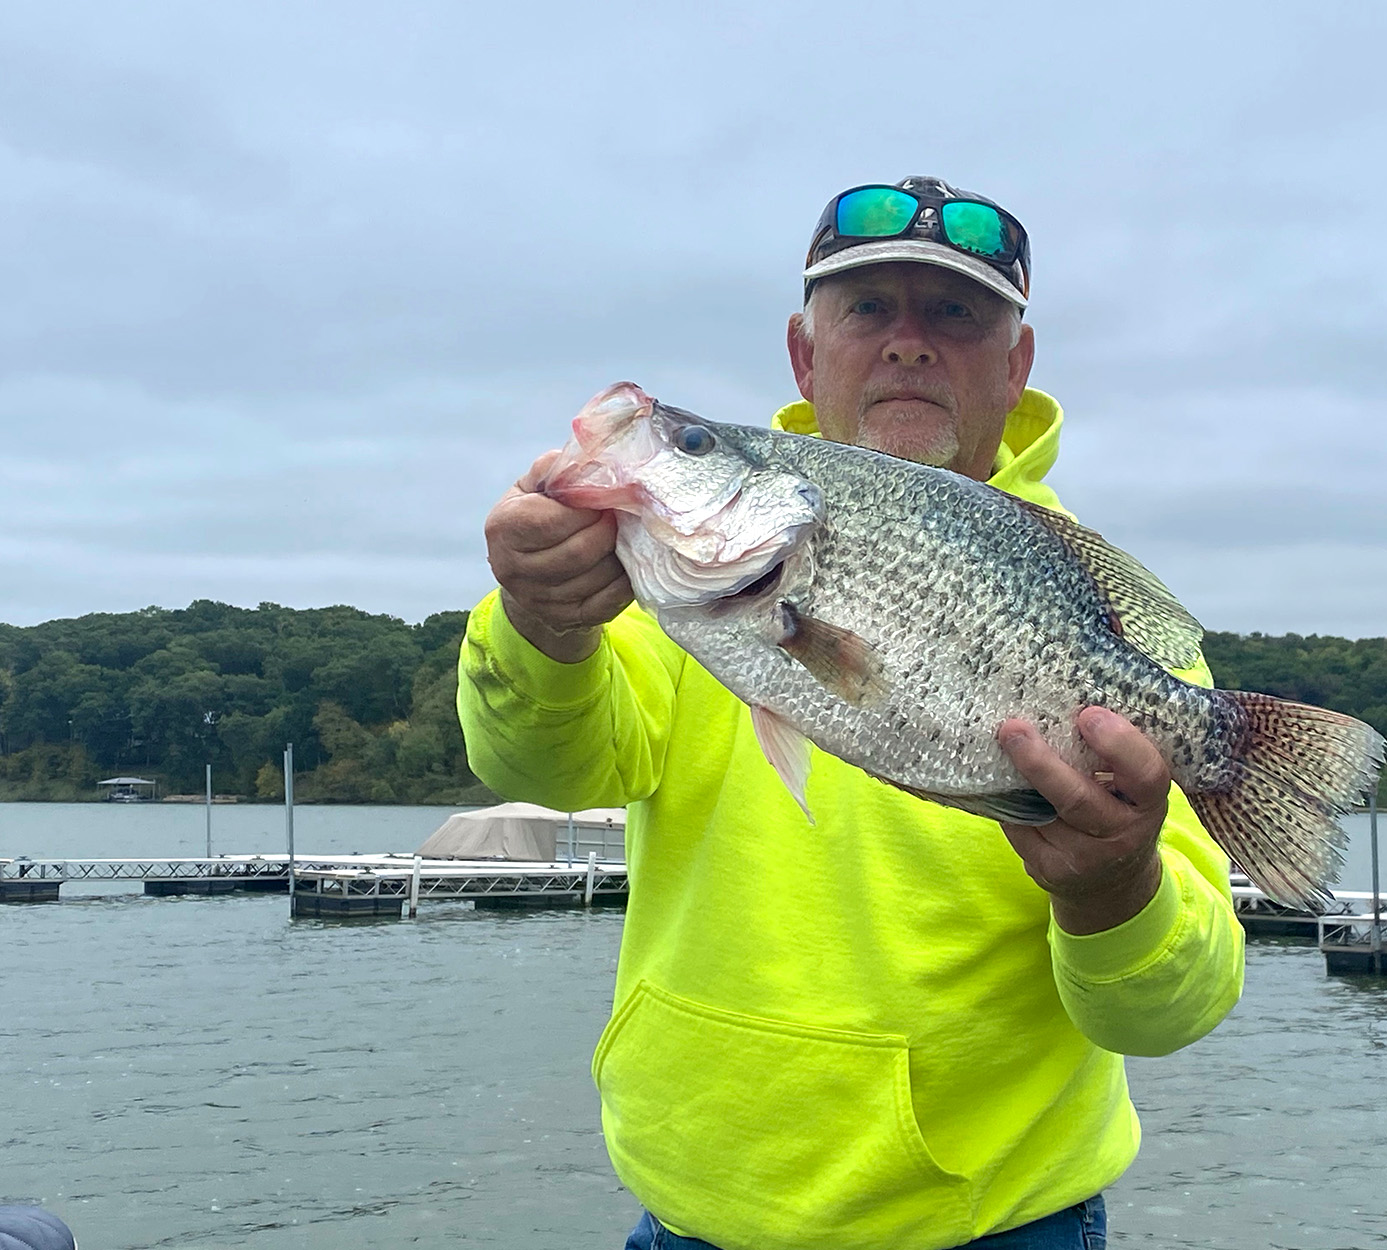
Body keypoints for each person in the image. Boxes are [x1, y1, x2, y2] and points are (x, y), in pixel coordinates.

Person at [458, 176, 1245, 1250]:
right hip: (689, 1219)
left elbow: (1171, 1011)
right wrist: (538, 622)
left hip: (999, 1228)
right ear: (802, 351)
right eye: (867, 308)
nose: (907, 343)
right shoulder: (665, 588)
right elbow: (548, 767)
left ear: (1014, 367)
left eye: (953, 315)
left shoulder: (1113, 648)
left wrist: (1115, 888)